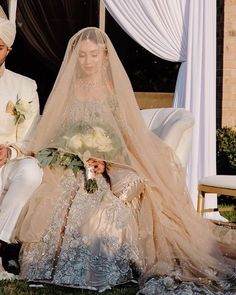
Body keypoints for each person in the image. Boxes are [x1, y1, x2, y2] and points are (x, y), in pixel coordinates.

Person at [16, 28, 235, 294]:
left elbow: (125, 136)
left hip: (106, 166)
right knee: (53, 198)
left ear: (104, 56)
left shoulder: (112, 89)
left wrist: (106, 161)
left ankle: (96, 267)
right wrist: (68, 154)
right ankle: (43, 264)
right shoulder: (69, 88)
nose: (87, 61)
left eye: (93, 55)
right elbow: (57, 130)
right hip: (72, 165)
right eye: (82, 55)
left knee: (101, 210)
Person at [0, 3, 42, 275]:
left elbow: (32, 137)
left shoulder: (25, 85)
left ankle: (1, 243)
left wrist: (10, 152)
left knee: (33, 170)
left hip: (8, 163)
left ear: (8, 51)